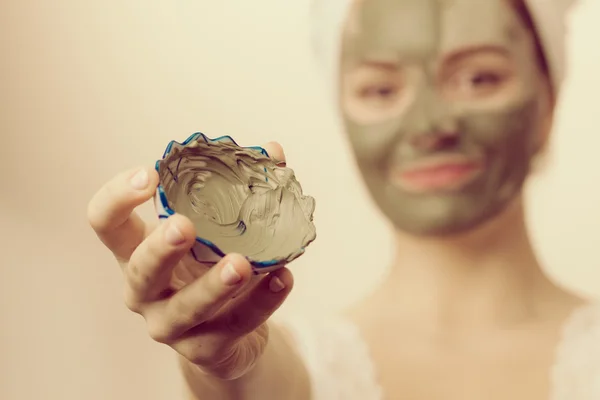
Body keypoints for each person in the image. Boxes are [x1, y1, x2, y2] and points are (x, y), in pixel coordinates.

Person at [87, 0, 600, 398]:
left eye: (478, 78)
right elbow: (254, 384)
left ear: (549, 101)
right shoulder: (303, 368)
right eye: (379, 89)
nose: (428, 127)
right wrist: (221, 366)